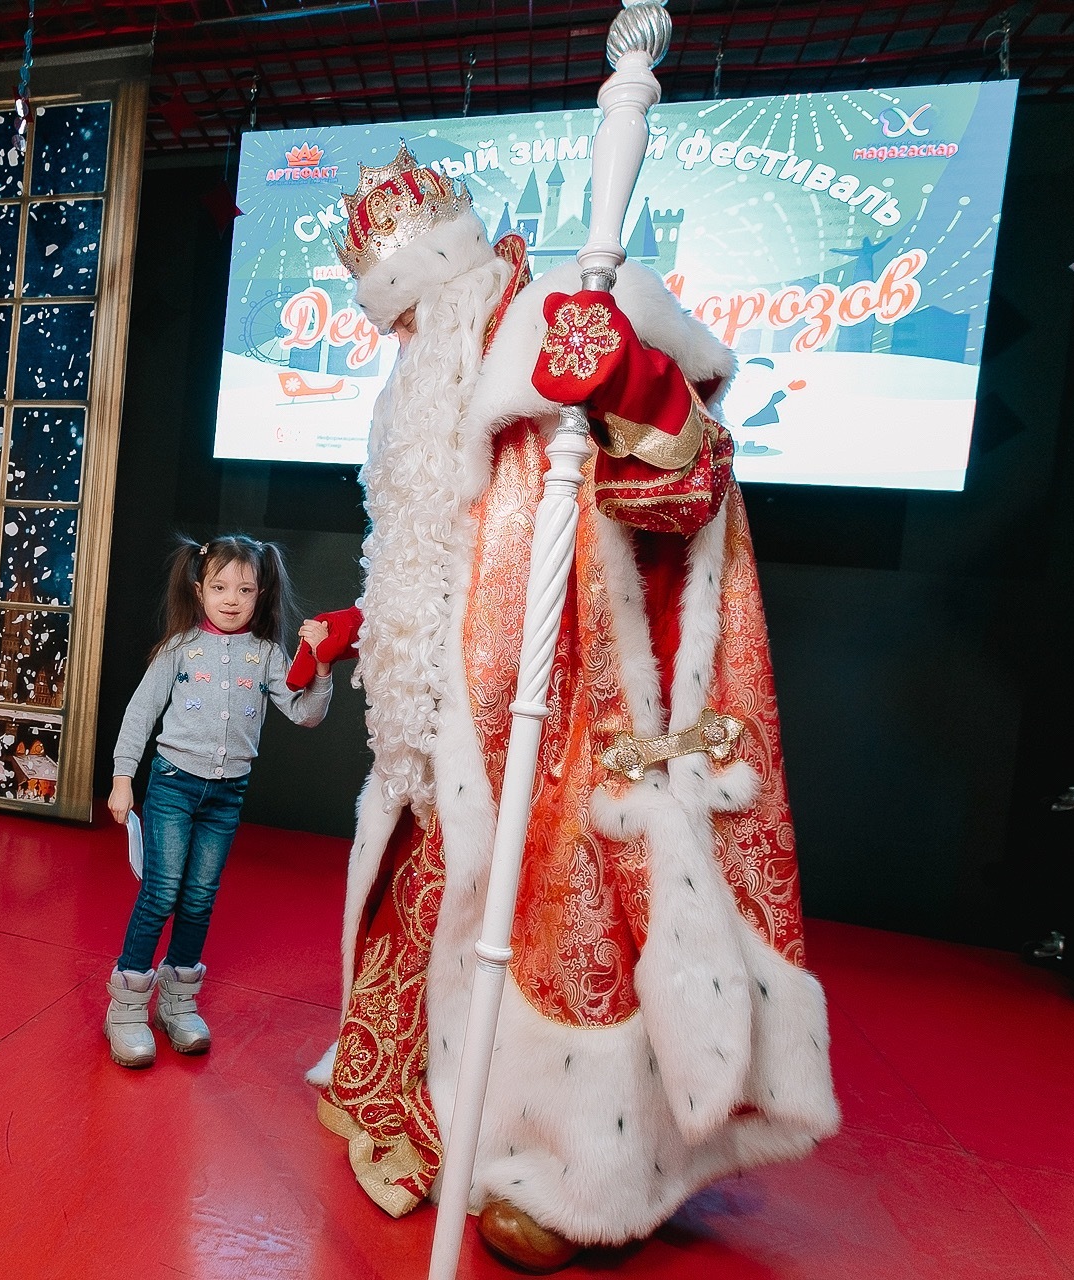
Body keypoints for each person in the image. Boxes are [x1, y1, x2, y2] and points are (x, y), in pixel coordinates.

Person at [299, 147, 840, 1271]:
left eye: (411, 319)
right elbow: (432, 572)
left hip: (573, 738)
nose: (403, 345)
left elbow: (688, 489)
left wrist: (631, 385)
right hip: (455, 748)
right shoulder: (432, 400)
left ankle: (576, 1175)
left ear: (452, 284)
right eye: (392, 328)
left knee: (573, 945)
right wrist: (358, 627)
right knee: (431, 924)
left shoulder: (572, 317)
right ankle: (444, 1115)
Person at [103, 535, 336, 1069]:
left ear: (261, 593)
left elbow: (305, 714)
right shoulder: (179, 648)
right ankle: (127, 1006)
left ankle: (178, 1003)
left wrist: (322, 667)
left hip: (227, 793)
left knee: (200, 898)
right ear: (199, 589)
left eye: (245, 590)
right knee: (161, 892)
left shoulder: (267, 653)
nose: (232, 599)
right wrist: (122, 777)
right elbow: (140, 712)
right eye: (220, 587)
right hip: (172, 784)